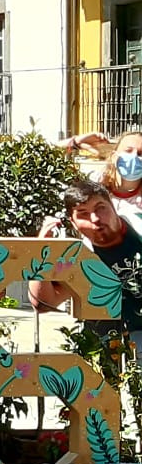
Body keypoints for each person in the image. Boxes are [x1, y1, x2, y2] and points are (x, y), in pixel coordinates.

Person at [31, 178, 142, 354]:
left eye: (100, 208)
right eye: (83, 213)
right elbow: (44, 303)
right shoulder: (79, 257)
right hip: (106, 350)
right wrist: (42, 252)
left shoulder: (139, 226)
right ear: (73, 222)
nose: (95, 218)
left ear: (113, 207)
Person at [100, 132, 142, 216]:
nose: (134, 157)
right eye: (128, 151)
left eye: (140, 153)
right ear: (114, 156)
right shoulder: (96, 186)